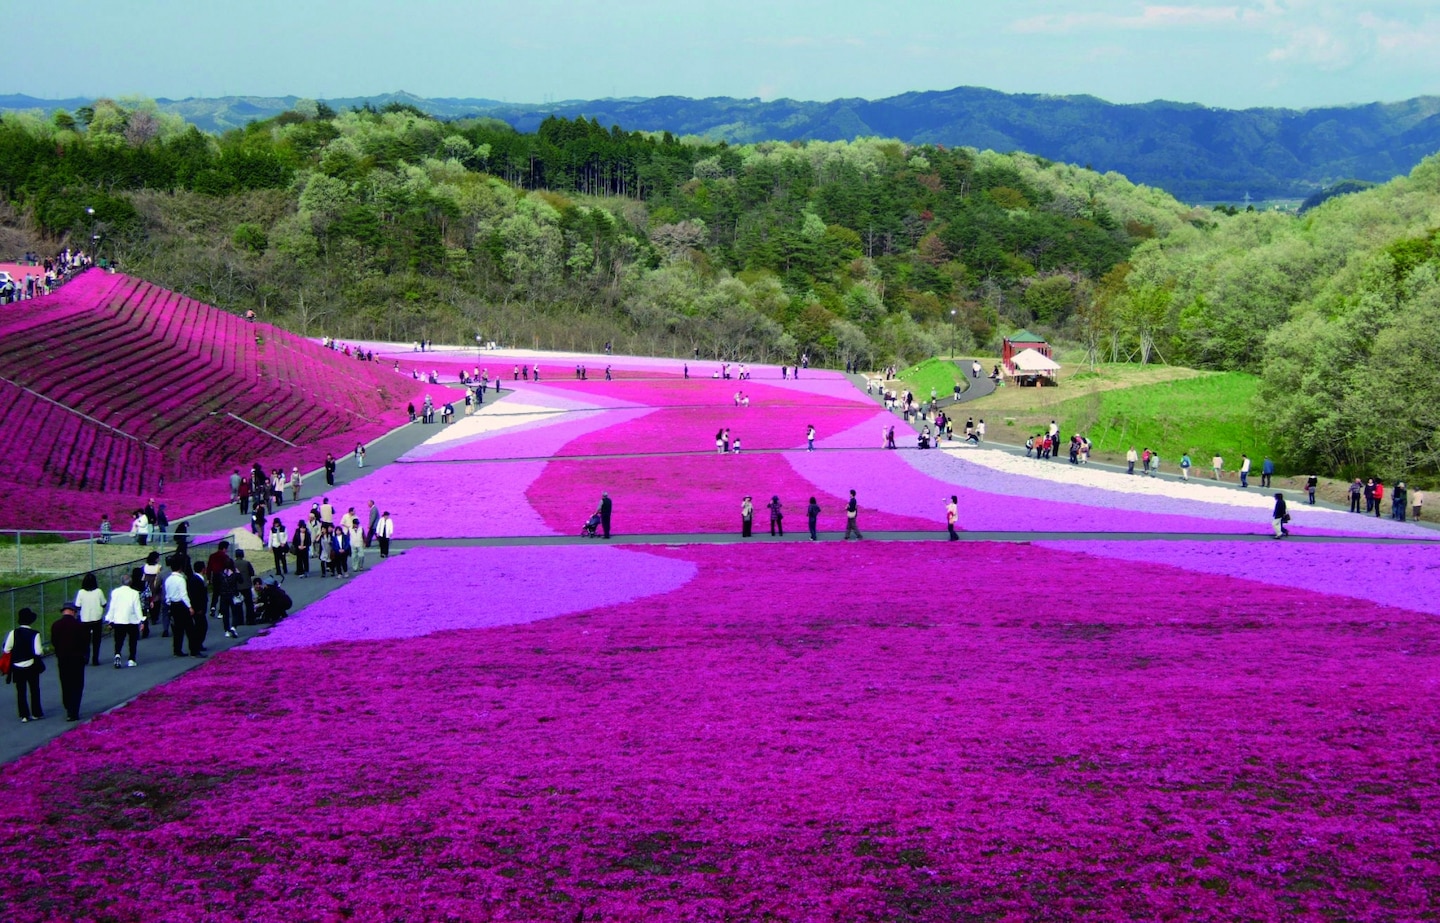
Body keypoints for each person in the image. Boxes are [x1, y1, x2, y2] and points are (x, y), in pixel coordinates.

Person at [5, 608, 45, 722]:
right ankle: (36, 712)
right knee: (34, 689)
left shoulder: (13, 633)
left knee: (21, 691)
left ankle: (24, 715)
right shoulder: (34, 634)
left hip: (17, 666)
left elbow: (7, 649)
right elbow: (38, 652)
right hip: (31, 665)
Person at [51, 603, 87, 722]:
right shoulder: (78, 625)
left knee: (65, 683)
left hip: (63, 658)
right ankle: (73, 711)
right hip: (77, 659)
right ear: (72, 612)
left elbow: (54, 642)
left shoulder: (56, 625)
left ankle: (67, 705)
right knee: (77, 685)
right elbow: (84, 642)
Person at [106, 568, 146, 668]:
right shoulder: (134, 593)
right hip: (131, 620)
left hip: (119, 620)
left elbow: (113, 606)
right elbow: (137, 608)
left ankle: (117, 654)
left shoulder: (115, 592)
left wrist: (110, 619)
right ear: (130, 582)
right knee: (132, 640)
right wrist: (141, 620)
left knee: (118, 640)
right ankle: (131, 659)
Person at [165, 554, 197, 657]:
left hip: (173, 605)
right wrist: (189, 607)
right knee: (190, 628)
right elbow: (184, 595)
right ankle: (193, 650)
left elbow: (167, 595)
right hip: (182, 605)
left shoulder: (168, 579)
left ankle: (177, 650)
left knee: (178, 629)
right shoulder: (181, 579)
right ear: (180, 568)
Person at [74, 572, 108, 667]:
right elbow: (104, 603)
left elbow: (77, 606)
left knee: (85, 641)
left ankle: (86, 657)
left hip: (85, 619)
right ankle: (95, 659)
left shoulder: (81, 592)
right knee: (96, 641)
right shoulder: (99, 591)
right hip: (97, 618)